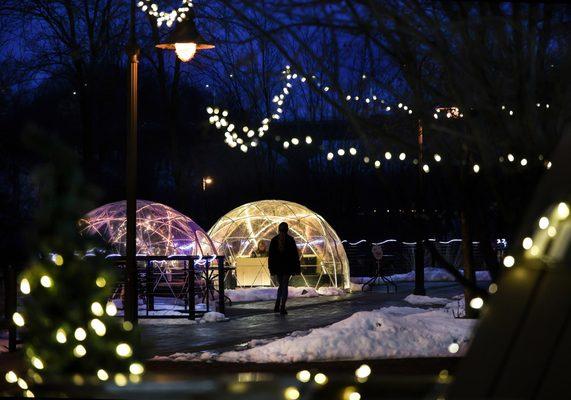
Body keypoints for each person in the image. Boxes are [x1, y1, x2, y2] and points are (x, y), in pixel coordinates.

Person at [268, 222, 301, 314]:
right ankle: (282, 306)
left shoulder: (274, 240)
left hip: (278, 267)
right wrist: (297, 269)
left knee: (281, 286)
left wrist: (271, 268)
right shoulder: (290, 240)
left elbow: (271, 256)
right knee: (284, 286)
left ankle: (277, 304)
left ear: (279, 229)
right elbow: (295, 256)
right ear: (287, 229)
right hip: (287, 267)